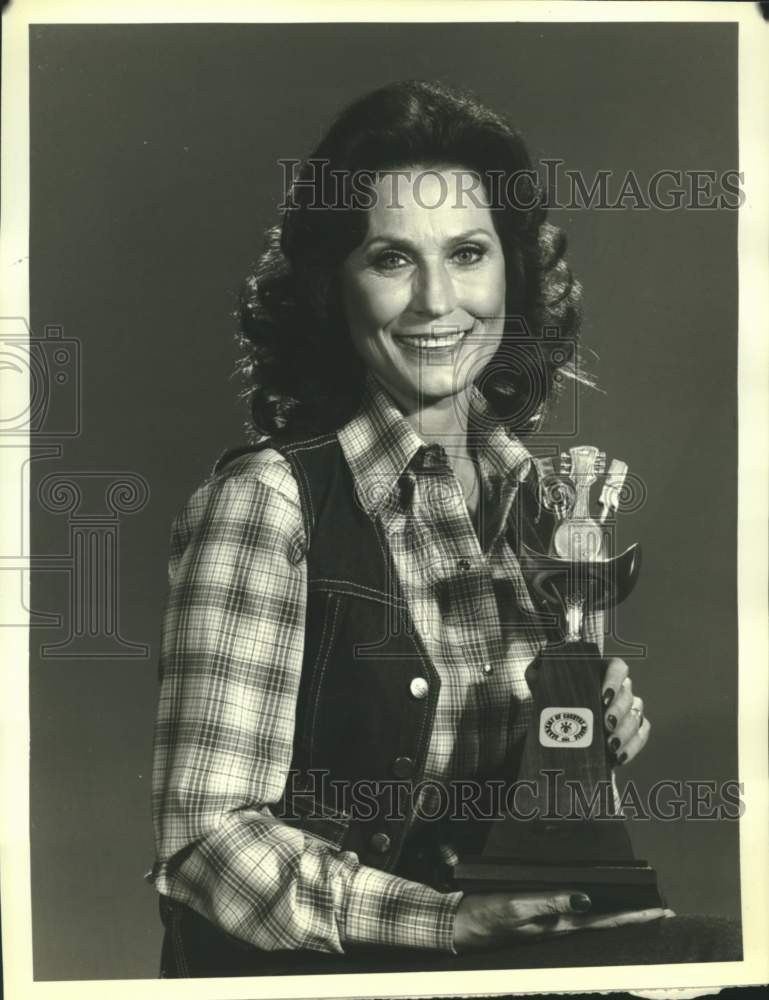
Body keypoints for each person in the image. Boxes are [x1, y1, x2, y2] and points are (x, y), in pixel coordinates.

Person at [149, 80, 741, 977]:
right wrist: (446, 923)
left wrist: (583, 733)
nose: (437, 301)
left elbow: (526, 824)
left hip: (501, 964)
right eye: (391, 260)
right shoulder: (268, 503)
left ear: (512, 270)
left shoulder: (538, 503)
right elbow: (206, 843)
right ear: (332, 286)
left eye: (467, 253)